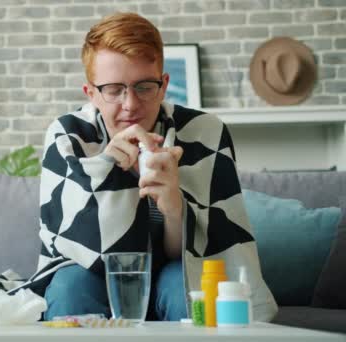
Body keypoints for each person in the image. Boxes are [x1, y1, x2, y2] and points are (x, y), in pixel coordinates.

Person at [20, 12, 278, 322]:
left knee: (186, 287)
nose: (130, 105)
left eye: (144, 87)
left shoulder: (204, 133)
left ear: (164, 85)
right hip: (91, 272)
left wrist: (173, 208)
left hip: (173, 267)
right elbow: (77, 250)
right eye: (114, 89)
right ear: (91, 93)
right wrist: (107, 172)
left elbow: (207, 252)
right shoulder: (68, 137)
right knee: (70, 285)